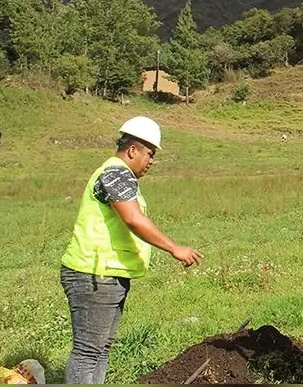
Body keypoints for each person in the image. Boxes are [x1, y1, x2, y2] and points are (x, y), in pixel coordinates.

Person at [59, 116, 203, 384]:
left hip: (107, 275)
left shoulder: (121, 175)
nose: (151, 161)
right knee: (88, 352)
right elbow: (133, 219)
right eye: (149, 154)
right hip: (93, 274)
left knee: (100, 350)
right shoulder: (115, 172)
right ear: (133, 150)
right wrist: (174, 248)